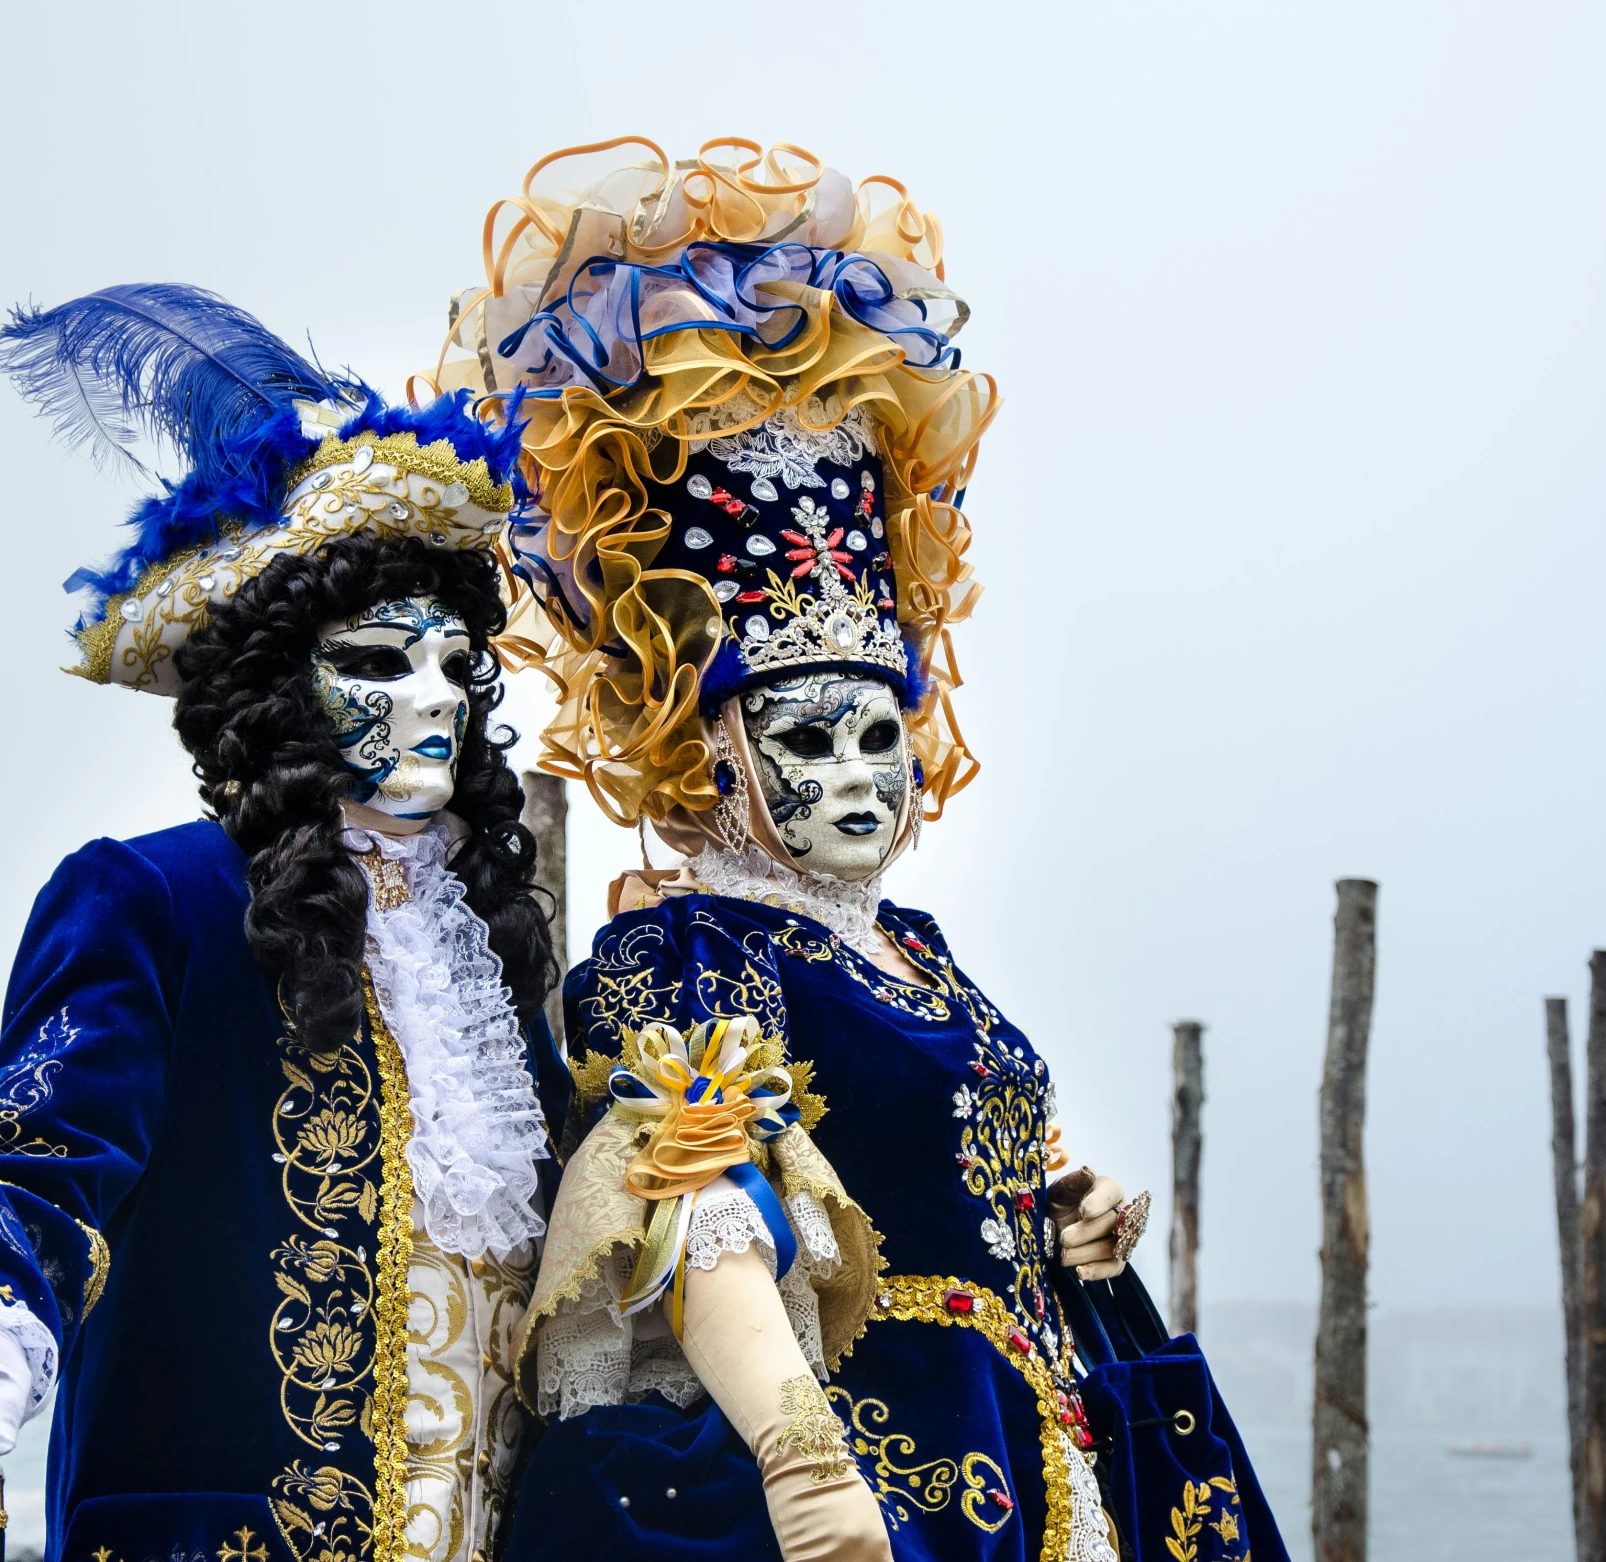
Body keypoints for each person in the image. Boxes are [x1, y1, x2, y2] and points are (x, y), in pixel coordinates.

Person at [431, 140, 1290, 1562]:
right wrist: (804, 1468)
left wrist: (1056, 1212)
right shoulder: (691, 946)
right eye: (807, 739)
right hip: (882, 1462)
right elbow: (692, 1201)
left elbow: (934, 1153)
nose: (851, 777)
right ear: (717, 748)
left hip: (1035, 1442)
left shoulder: (918, 955)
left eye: (875, 738)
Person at [0, 284, 557, 1562]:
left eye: (455, 661)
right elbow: (35, 1151)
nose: (432, 696)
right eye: (378, 659)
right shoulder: (154, 899)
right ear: (279, 684)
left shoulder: (493, 954)